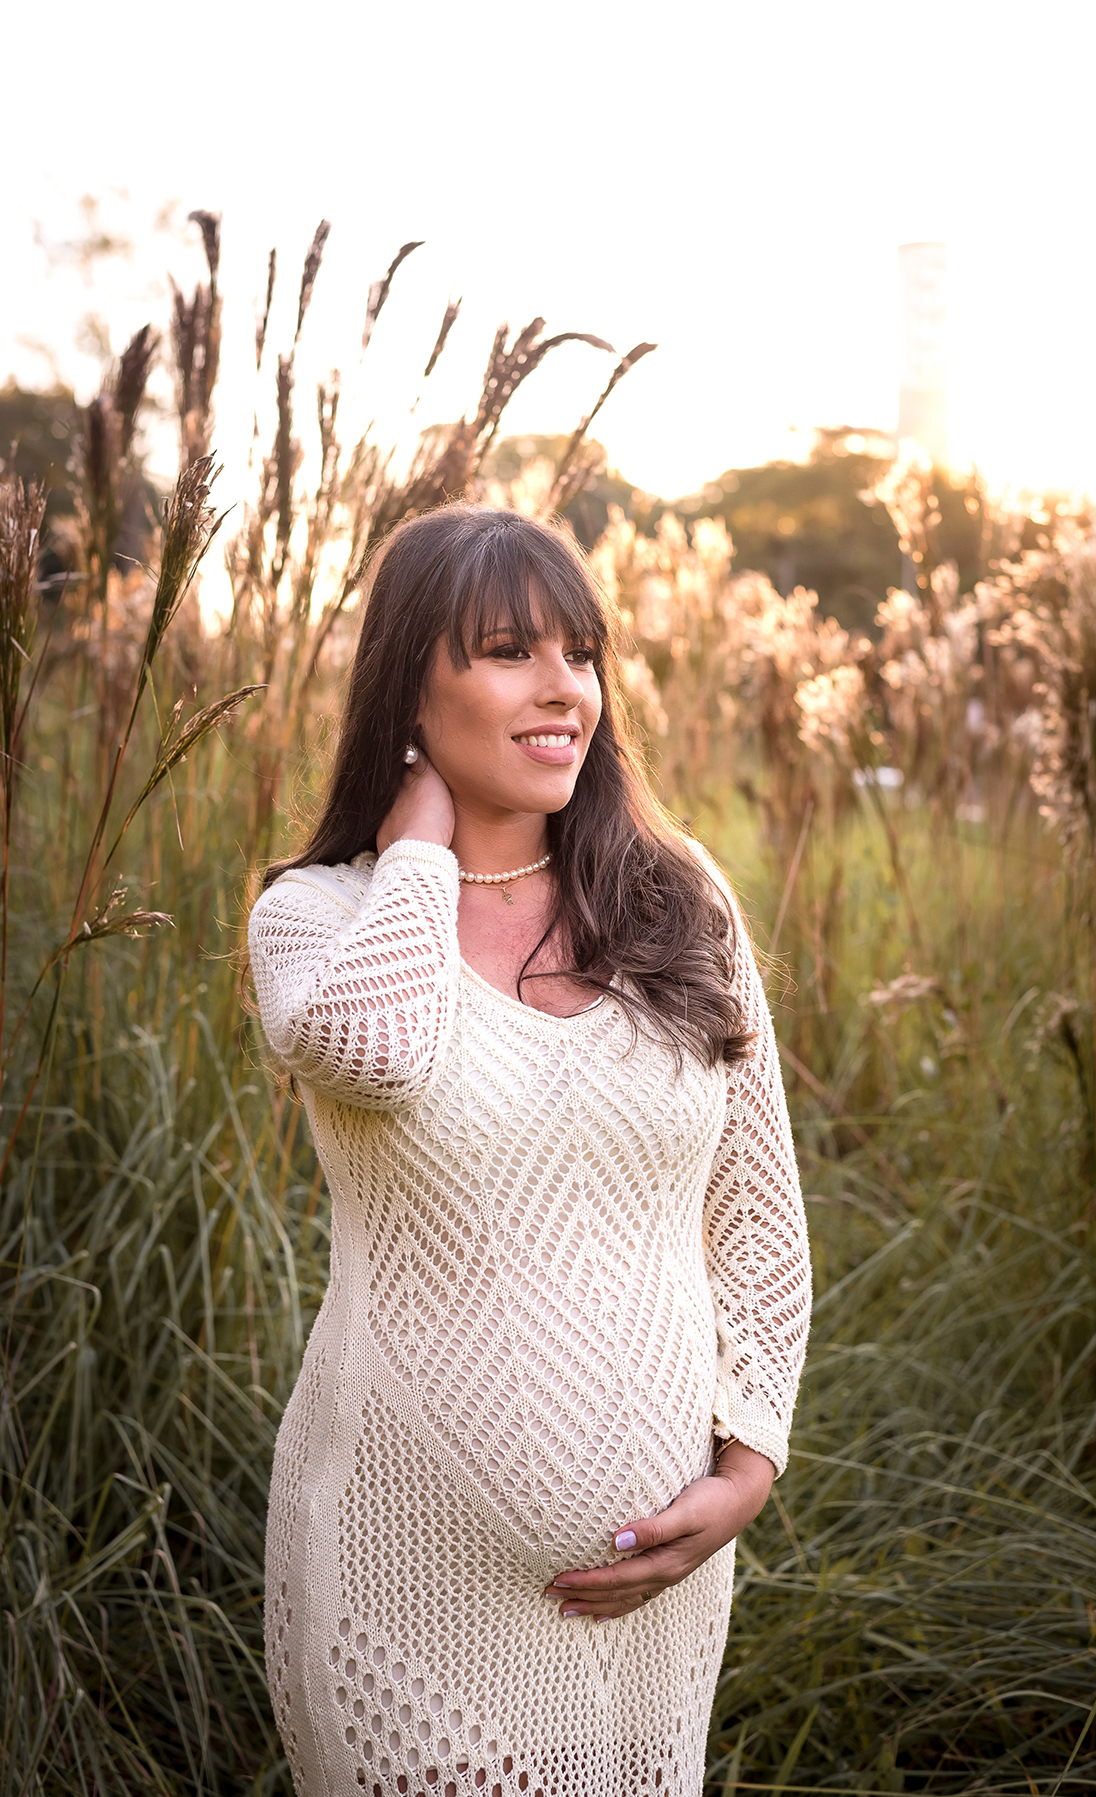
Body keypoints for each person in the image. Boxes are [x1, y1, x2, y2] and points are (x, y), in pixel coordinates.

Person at [247, 504, 810, 1797]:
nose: (566, 689)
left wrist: (750, 1467)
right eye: (509, 651)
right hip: (408, 1577)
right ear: (410, 687)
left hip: (664, 1591)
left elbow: (760, 1218)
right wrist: (419, 849)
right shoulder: (315, 916)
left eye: (583, 652)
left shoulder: (679, 902)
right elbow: (377, 1049)